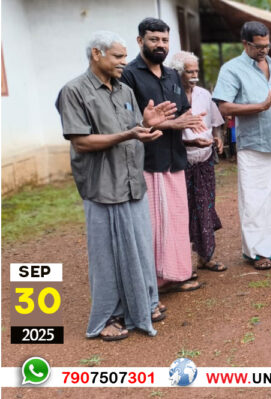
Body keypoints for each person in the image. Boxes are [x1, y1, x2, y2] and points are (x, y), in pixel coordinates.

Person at [56, 31, 178, 341]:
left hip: (132, 183)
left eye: (125, 57)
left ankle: (144, 304)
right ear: (96, 54)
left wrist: (148, 124)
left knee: (139, 247)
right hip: (102, 187)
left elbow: (136, 129)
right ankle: (109, 316)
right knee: (106, 257)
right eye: (118, 57)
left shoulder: (124, 91)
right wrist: (130, 135)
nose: (124, 62)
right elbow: (81, 142)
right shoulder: (74, 91)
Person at [121, 18, 205, 293]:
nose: (160, 45)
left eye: (164, 40)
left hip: (174, 161)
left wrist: (194, 129)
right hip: (146, 162)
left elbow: (181, 113)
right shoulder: (128, 75)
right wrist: (170, 124)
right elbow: (129, 121)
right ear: (140, 41)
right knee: (153, 225)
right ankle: (151, 282)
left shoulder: (171, 75)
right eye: (154, 39)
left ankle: (175, 274)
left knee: (177, 220)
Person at [213, 21, 271, 269]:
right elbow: (224, 107)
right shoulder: (232, 69)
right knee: (254, 201)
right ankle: (258, 252)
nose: (264, 50)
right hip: (252, 144)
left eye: (267, 45)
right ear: (246, 44)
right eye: (259, 46)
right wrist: (259, 107)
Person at [168, 51, 228, 273]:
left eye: (196, 71)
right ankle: (182, 264)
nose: (194, 76)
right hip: (180, 163)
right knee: (182, 211)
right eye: (189, 72)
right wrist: (191, 145)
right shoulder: (170, 96)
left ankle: (206, 256)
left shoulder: (204, 94)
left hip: (204, 161)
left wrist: (218, 139)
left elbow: (216, 123)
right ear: (177, 73)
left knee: (205, 207)